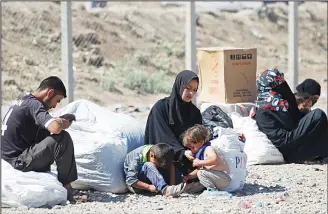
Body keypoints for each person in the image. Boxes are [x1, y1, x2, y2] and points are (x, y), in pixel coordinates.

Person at [1, 76, 78, 202]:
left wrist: (57, 120)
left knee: (46, 132)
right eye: (57, 101)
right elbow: (55, 128)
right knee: (62, 138)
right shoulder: (34, 104)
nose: (54, 106)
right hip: (18, 161)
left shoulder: (24, 99)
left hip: (9, 157)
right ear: (50, 93)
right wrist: (62, 122)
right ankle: (68, 188)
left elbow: (45, 126)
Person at [252, 68, 328, 163]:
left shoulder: (269, 101)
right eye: (280, 81)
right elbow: (290, 125)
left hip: (287, 143)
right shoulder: (270, 102)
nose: (283, 84)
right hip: (286, 146)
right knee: (318, 114)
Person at [144, 70, 202, 178]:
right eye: (188, 88)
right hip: (164, 159)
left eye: (194, 90)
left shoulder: (195, 113)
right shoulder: (161, 108)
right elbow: (161, 136)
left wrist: (195, 151)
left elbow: (198, 137)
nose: (191, 93)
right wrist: (181, 152)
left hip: (189, 159)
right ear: (179, 85)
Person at [182, 125, 231, 190]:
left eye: (193, 147)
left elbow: (214, 160)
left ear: (201, 141)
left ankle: (212, 190)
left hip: (224, 177)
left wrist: (199, 162)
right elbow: (199, 169)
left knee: (201, 173)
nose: (192, 150)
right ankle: (213, 189)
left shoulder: (208, 148)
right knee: (201, 172)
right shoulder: (202, 153)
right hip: (219, 178)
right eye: (190, 148)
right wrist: (188, 177)